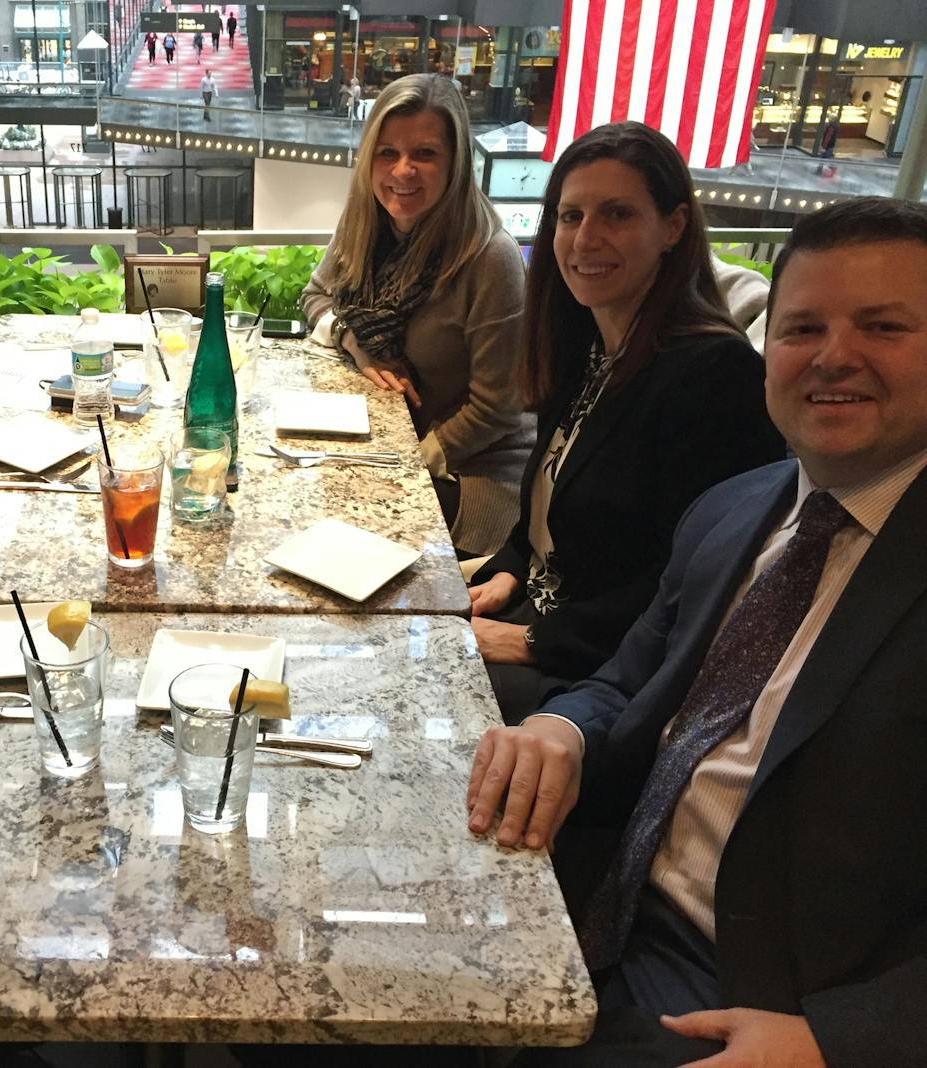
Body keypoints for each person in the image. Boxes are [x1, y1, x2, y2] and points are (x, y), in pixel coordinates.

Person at [466, 196, 927, 1067]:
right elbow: (624, 677)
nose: (834, 356)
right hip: (606, 882)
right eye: (801, 329)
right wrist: (560, 728)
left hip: (761, 996)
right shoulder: (739, 507)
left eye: (884, 326)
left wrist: (841, 1040)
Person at [466, 122, 783, 723]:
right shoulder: (585, 341)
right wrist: (509, 569)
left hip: (603, 677)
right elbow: (546, 504)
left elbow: (693, 582)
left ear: (673, 227)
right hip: (536, 617)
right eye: (570, 216)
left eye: (616, 214)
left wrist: (535, 642)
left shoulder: (715, 375)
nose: (585, 239)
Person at [300, 74, 533, 558]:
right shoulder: (366, 221)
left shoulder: (490, 257)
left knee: (334, 532)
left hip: (470, 472)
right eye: (387, 153)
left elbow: (496, 411)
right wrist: (358, 345)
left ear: (455, 164)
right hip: (391, 434)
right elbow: (316, 298)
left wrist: (407, 461)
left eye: (424, 154)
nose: (403, 171)